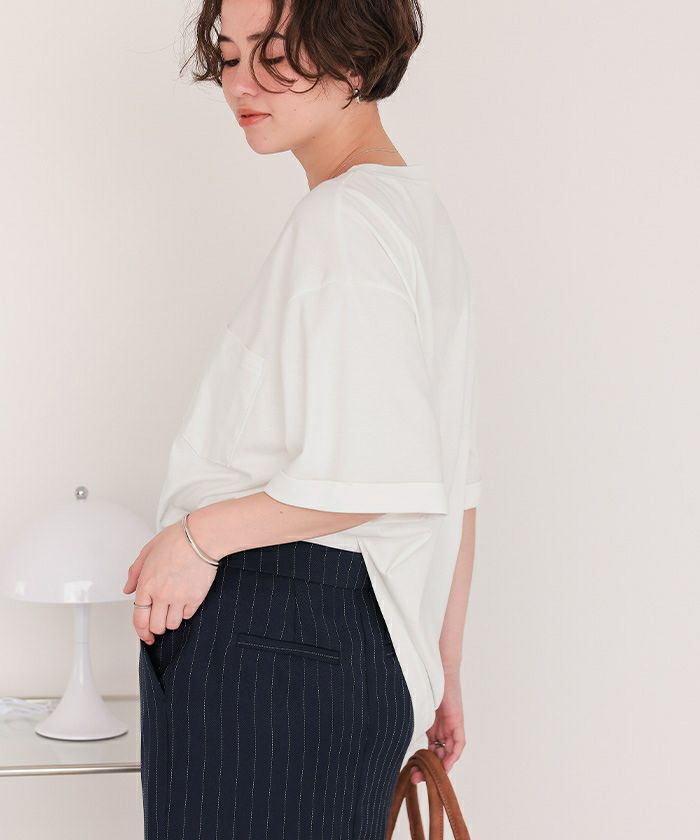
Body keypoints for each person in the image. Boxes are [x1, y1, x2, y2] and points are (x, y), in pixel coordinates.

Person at [122, 0, 481, 836]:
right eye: (228, 54)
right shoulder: (414, 216)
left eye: (275, 54)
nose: (241, 83)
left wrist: (195, 537)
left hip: (279, 642)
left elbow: (382, 472)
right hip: (351, 644)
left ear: (354, 55)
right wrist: (439, 663)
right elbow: (455, 482)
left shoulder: (343, 221)